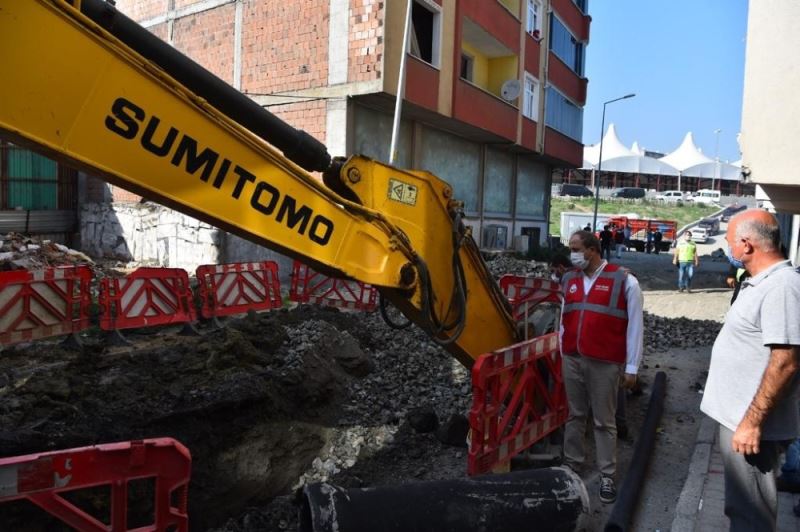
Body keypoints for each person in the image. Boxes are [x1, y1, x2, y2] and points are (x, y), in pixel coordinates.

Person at [699, 209, 800, 531]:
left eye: (729, 241)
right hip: (740, 421)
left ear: (746, 244)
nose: (728, 247)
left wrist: (752, 423)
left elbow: (786, 361)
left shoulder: (782, 286)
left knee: (751, 515)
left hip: (752, 429)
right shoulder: (759, 282)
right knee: (740, 508)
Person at [560, 230, 644, 504]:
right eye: (570, 248)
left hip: (605, 363)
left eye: (575, 248)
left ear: (593, 250)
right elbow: (564, 319)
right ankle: (572, 465)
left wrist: (632, 367)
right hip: (573, 358)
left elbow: (635, 327)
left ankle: (606, 474)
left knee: (603, 421)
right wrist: (562, 350)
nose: (571, 253)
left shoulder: (625, 281)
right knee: (575, 415)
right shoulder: (569, 280)